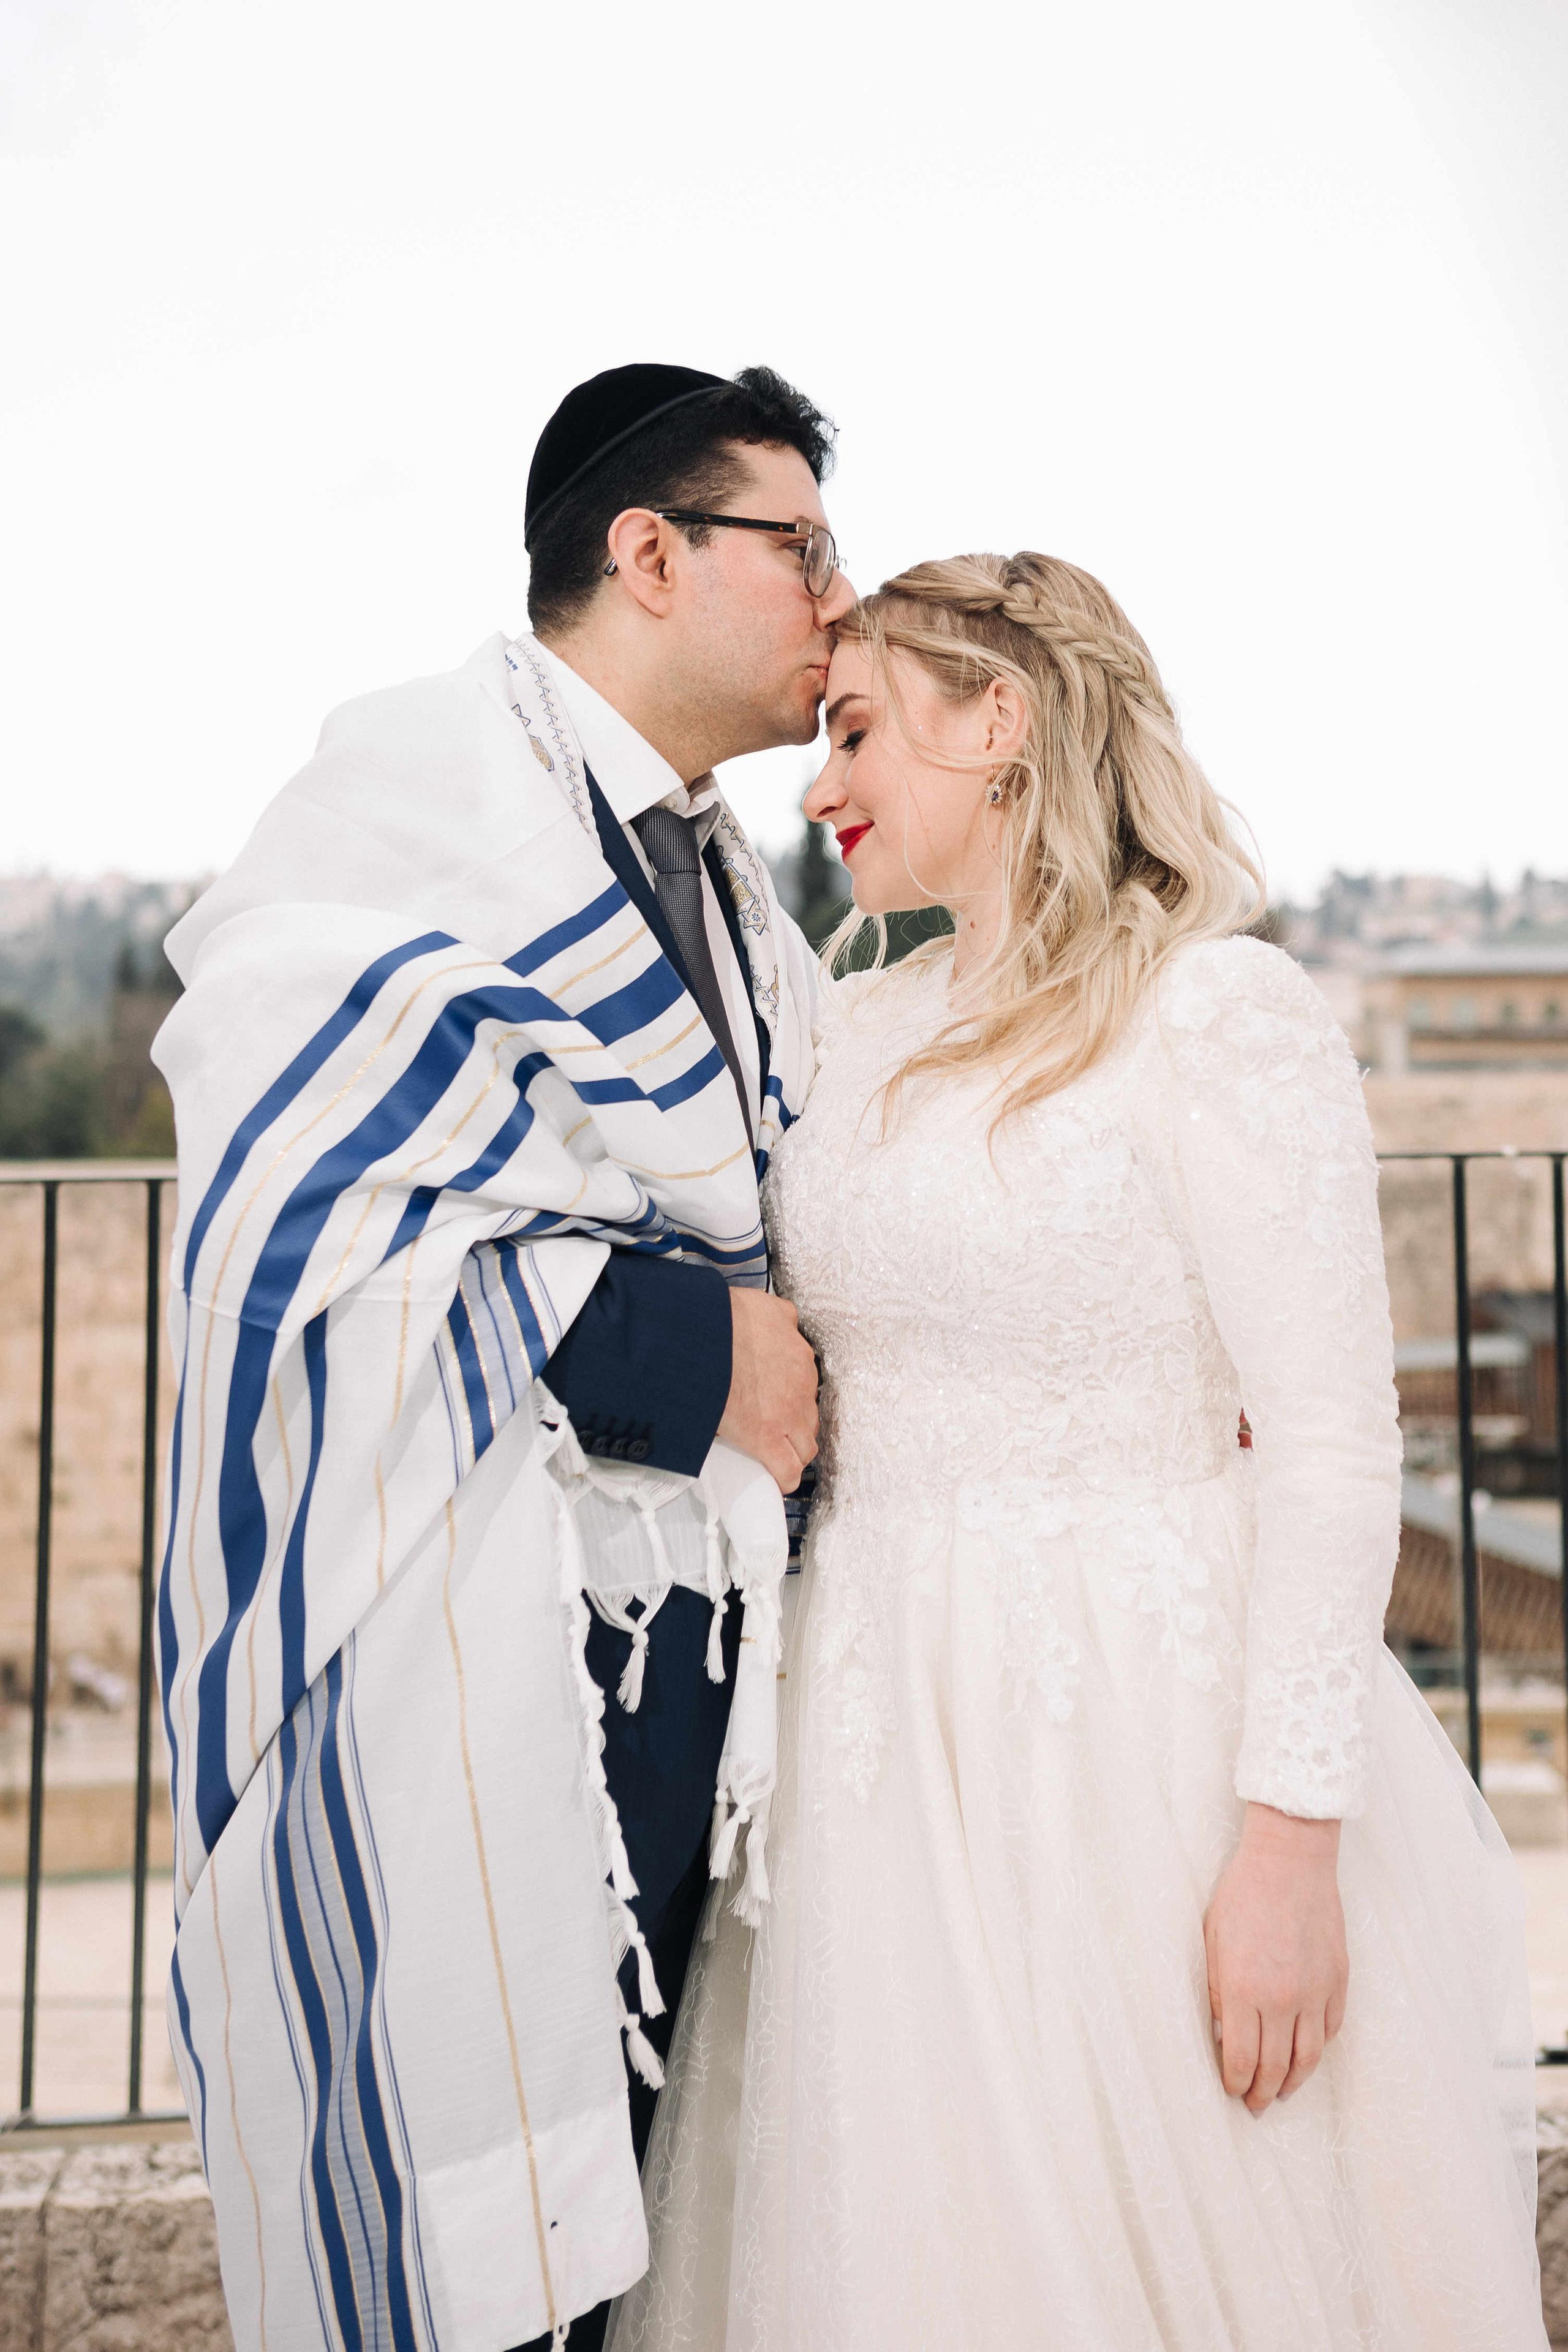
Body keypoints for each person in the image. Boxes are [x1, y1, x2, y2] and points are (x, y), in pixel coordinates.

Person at [614, 553, 1548, 2350]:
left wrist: (1289, 1851)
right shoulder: (853, 1023)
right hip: (877, 1754)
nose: (820, 789)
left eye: (859, 733)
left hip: (1137, 1746)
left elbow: (1333, 1441)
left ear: (1002, 722)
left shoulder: (1216, 1014)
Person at [153, 363, 851, 2352]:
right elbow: (302, 1184)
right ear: (650, 552)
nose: (841, 599)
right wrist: (690, 1354)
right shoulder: (413, 799)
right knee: (466, 2211)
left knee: (639, 2218)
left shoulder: (731, 877)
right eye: (802, 549)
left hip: (688, 1651)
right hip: (450, 1628)